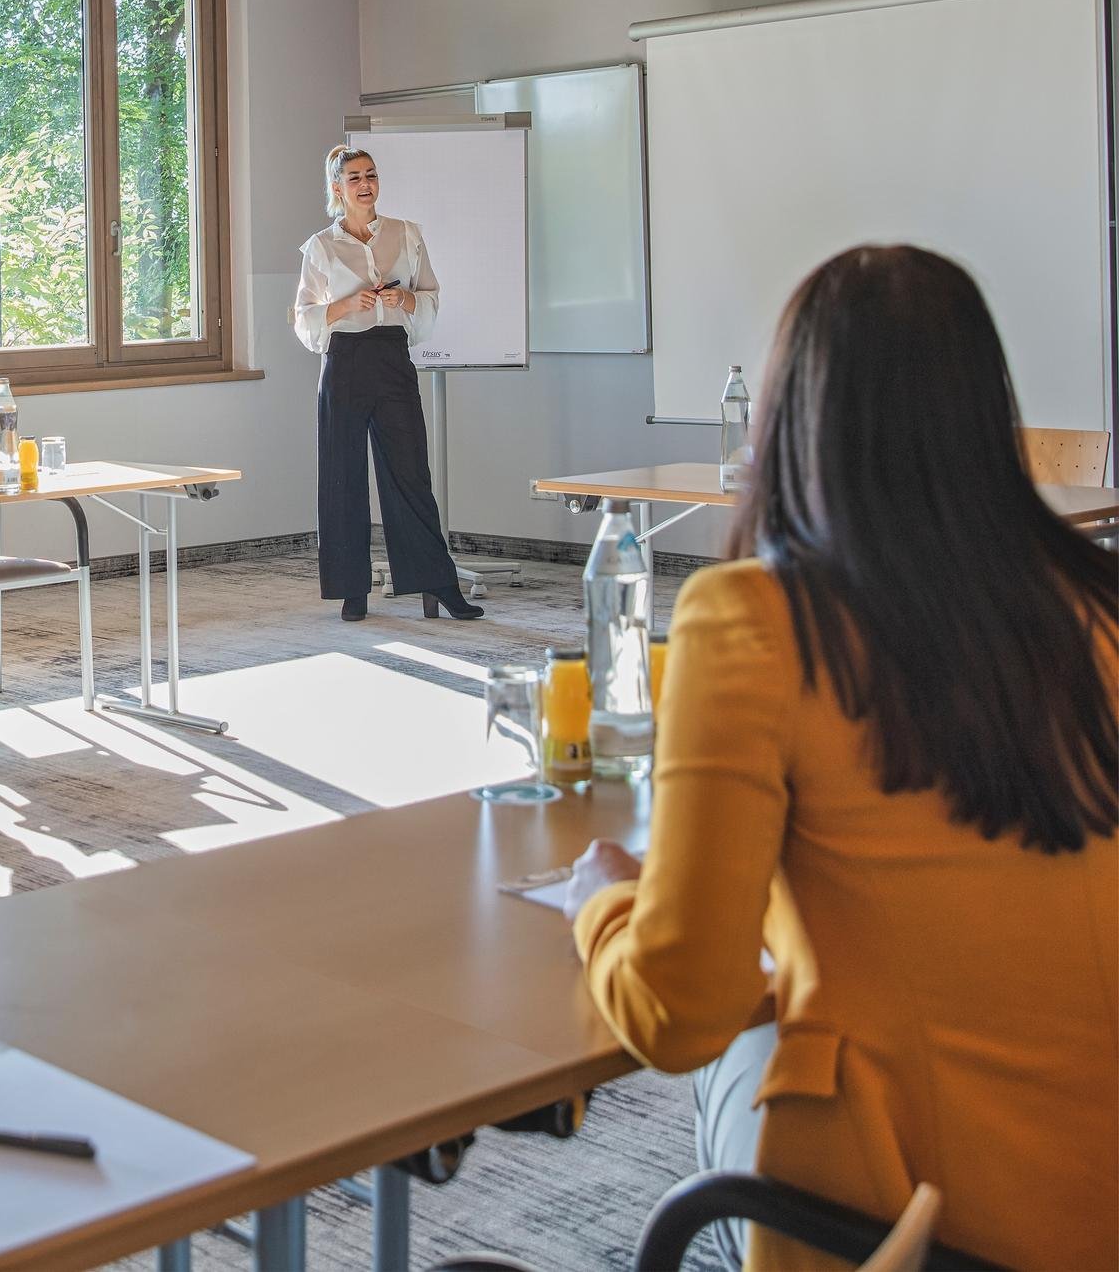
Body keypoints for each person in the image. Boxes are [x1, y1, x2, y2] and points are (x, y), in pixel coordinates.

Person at [564, 247, 1117, 1272]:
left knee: (744, 1039)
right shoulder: (1097, 609)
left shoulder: (756, 622)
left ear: (790, 419)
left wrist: (598, 899)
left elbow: (679, 1011)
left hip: (923, 1224)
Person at [291, 144, 481, 623]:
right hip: (345, 362)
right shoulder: (320, 246)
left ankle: (438, 585)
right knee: (342, 475)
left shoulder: (406, 234)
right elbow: (305, 315)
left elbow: (430, 295)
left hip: (392, 358)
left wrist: (404, 299)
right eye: (354, 177)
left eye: (371, 175)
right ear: (338, 187)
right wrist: (343, 307)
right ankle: (352, 590)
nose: (365, 183)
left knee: (410, 475)